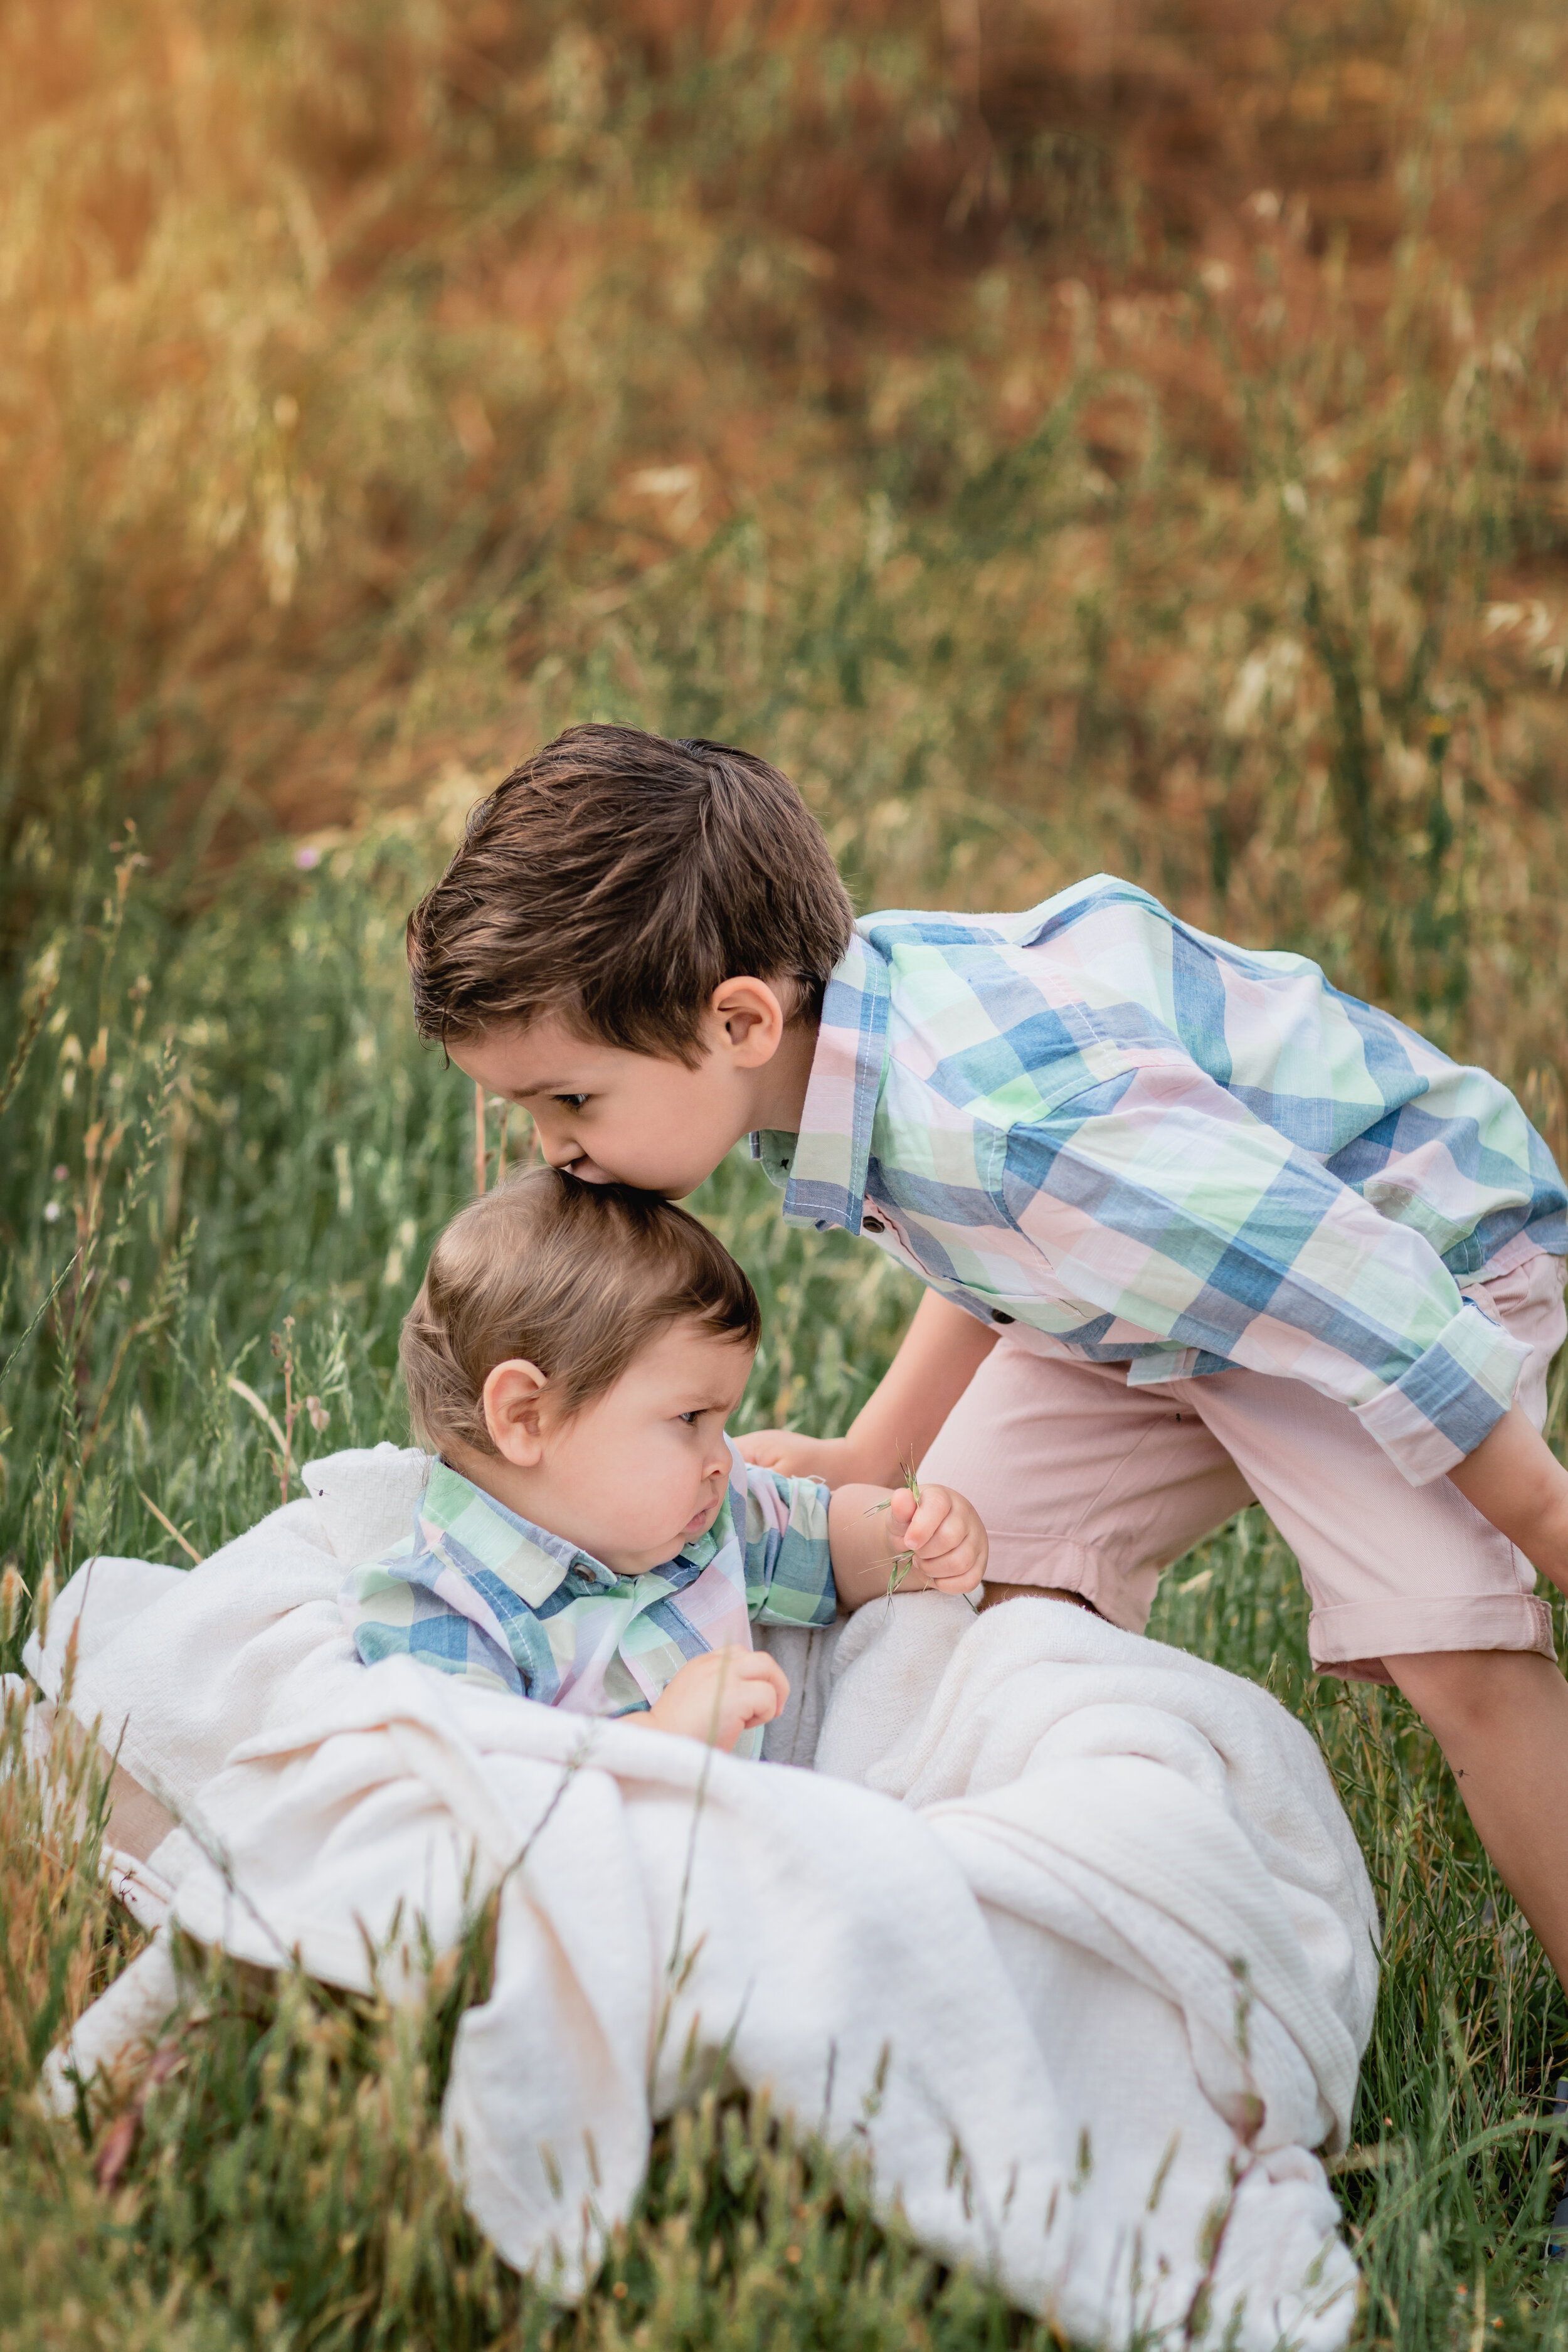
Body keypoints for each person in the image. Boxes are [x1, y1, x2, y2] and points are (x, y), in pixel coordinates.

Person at [402, 721, 1568, 1982]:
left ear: (737, 1019)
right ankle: (1017, 1938)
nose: (549, 1147)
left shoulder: (1007, 1122)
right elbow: (1008, 1240)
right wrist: (876, 1450)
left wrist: (1544, 1516)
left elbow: (1348, 1288)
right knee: (968, 1571)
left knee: (1453, 1655)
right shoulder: (842, 1067)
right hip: (1147, 1283)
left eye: (569, 1100)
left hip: (1393, 1252)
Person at [343, 1166, 986, 1754]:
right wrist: (657, 1737)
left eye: (721, 1423)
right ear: (525, 1415)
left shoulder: (703, 1519)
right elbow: (480, 1782)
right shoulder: (444, 1604)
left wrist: (904, 1538)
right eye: (689, 1420)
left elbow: (821, 1547)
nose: (722, 1461)